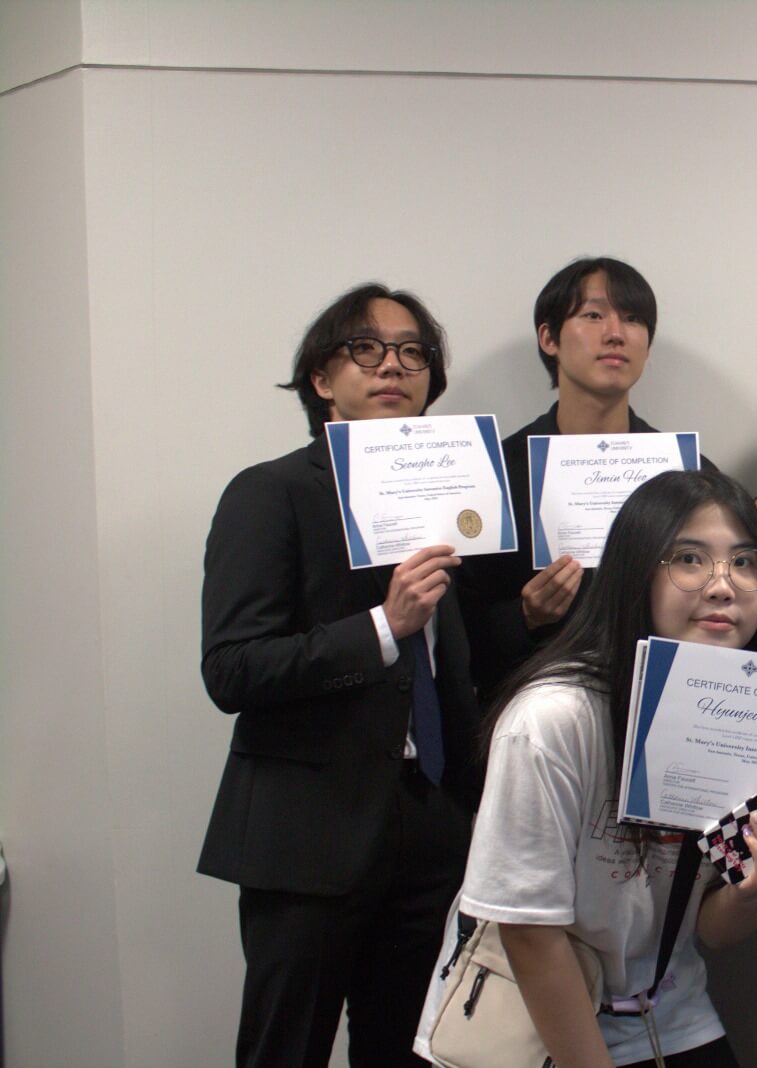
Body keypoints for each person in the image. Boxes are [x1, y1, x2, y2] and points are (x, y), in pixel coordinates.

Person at [418, 470, 757, 1067]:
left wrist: (754, 889)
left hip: (670, 1012)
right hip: (525, 1021)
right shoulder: (552, 718)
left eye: (745, 562)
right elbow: (528, 930)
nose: (723, 586)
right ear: (634, 573)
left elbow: (714, 930)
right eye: (689, 558)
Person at [198, 284, 482, 1066]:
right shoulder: (271, 492)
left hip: (430, 829)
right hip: (308, 835)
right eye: (367, 348)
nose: (393, 365)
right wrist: (383, 628)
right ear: (322, 380)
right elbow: (232, 668)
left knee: (411, 1052)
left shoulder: (455, 497)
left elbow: (459, 671)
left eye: (412, 352)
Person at [458, 255, 710, 701]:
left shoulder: (688, 475)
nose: (615, 333)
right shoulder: (493, 473)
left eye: (632, 319)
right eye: (593, 315)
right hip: (531, 711)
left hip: (666, 706)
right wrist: (525, 615)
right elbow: (456, 629)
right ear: (549, 337)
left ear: (647, 347)